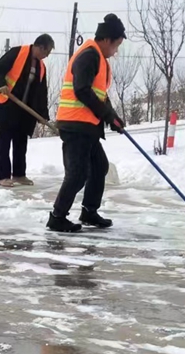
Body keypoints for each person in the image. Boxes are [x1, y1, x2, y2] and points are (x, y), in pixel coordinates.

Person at [47, 15, 127, 232]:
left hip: (86, 125)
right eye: (116, 45)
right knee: (77, 174)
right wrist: (106, 115)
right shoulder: (89, 55)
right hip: (75, 124)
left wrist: (113, 117)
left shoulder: (97, 57)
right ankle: (57, 217)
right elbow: (81, 90)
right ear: (107, 40)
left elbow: (99, 95)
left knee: (99, 167)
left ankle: (89, 212)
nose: (116, 51)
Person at [0, 34, 53, 187]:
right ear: (40, 47)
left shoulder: (41, 68)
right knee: (4, 143)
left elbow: (41, 93)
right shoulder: (17, 52)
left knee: (21, 143)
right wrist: (1, 84)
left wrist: (43, 115)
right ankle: (4, 176)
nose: (47, 56)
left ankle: (19, 174)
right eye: (47, 52)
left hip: (25, 111)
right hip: (8, 105)